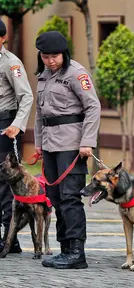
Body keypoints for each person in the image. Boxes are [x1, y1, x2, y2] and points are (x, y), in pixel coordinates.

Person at [34, 31, 101, 269]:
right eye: (46, 56)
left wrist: (87, 141)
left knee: (70, 197)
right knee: (54, 197)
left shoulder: (76, 74)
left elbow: (93, 107)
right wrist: (39, 143)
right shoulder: (43, 76)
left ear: (64, 54)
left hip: (72, 143)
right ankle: (64, 249)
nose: (51, 61)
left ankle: (76, 251)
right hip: (51, 144)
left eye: (55, 56)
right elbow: (40, 114)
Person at [0, 19, 33, 254]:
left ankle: (10, 239)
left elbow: (27, 96)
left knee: (5, 180)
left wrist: (17, 125)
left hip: (5, 124)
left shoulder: (11, 63)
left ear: (2, 38)